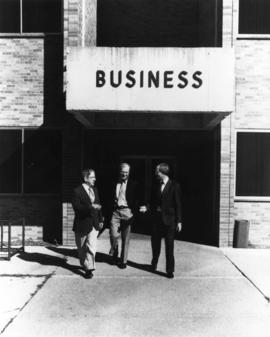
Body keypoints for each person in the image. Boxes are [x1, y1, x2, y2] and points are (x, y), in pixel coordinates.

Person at [140, 163, 182, 279]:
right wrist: (146, 207)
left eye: (157, 171)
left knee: (169, 246)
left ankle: (169, 270)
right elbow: (151, 201)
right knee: (155, 244)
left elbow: (178, 204)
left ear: (162, 172)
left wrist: (179, 221)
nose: (155, 173)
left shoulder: (174, 185)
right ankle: (153, 265)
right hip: (157, 220)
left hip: (170, 221)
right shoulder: (155, 185)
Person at [72, 169, 103, 279]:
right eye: (92, 177)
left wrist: (100, 220)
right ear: (86, 178)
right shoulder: (77, 191)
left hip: (93, 223)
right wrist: (90, 207)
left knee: (91, 246)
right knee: (81, 249)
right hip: (82, 223)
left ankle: (89, 269)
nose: (95, 179)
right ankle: (84, 263)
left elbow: (98, 205)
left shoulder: (95, 190)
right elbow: (77, 208)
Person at [109, 163, 138, 269]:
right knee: (113, 235)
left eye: (126, 172)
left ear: (129, 173)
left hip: (127, 212)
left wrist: (133, 212)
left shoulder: (134, 184)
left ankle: (123, 261)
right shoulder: (114, 182)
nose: (124, 174)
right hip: (116, 212)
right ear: (119, 172)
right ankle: (114, 255)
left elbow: (137, 199)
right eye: (123, 172)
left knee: (126, 238)